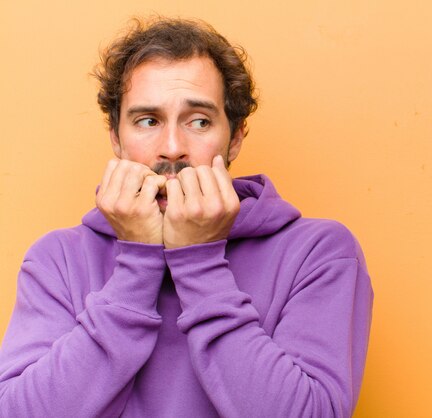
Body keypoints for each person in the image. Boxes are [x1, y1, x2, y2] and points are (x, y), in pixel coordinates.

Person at [0, 17, 373, 418]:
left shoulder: (318, 253)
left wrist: (199, 261)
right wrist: (137, 264)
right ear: (116, 139)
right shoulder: (58, 258)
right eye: (148, 121)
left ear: (235, 138)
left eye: (198, 121)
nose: (173, 148)